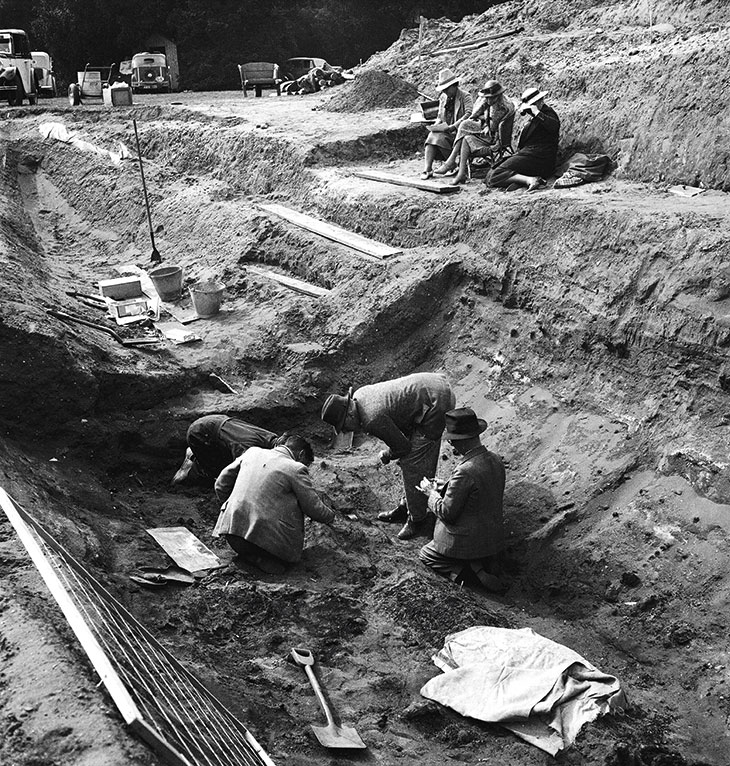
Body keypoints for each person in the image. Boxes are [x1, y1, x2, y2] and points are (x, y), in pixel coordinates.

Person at [321, 372, 455, 540]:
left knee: (413, 463)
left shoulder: (371, 418)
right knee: (411, 459)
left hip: (437, 402)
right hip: (431, 386)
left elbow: (403, 447)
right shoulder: (359, 395)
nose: (348, 431)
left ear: (349, 414)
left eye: (344, 426)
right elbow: (400, 418)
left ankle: (418, 520)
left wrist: (387, 454)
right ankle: (407, 505)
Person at [213, 434, 336, 573]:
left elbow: (220, 484)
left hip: (231, 534)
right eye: (306, 462)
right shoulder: (295, 468)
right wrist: (331, 516)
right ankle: (261, 557)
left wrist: (232, 507)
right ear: (301, 454)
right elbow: (313, 508)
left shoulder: (252, 452)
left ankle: (250, 557)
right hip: (264, 543)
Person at [417, 407, 506, 592]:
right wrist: (447, 485)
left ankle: (468, 572)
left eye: (452, 440)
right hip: (491, 538)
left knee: (425, 553)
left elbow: (447, 513)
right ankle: (480, 563)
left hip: (467, 541)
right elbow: (478, 492)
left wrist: (431, 493)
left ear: (461, 441)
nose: (450, 444)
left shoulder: (465, 470)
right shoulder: (495, 460)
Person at [434, 79, 515, 186]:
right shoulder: (496, 101)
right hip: (488, 131)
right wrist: (483, 116)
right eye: (486, 98)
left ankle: (452, 162)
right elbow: (476, 114)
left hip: (494, 138)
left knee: (464, 125)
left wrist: (483, 119)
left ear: (496, 96)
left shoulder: (500, 108)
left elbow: (490, 125)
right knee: (465, 138)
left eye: (489, 98)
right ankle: (460, 172)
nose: (486, 100)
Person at [486, 86, 560, 192]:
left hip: (542, 158)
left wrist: (537, 113)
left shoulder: (548, 114)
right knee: (491, 173)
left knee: (496, 175)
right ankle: (520, 180)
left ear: (540, 102)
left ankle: (530, 180)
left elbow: (554, 127)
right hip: (530, 155)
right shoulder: (533, 118)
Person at [172, 415, 279, 486]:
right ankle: (191, 462)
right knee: (218, 476)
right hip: (200, 432)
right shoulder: (248, 447)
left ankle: (194, 455)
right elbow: (243, 471)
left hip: (216, 424)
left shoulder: (271, 437)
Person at [421, 68, 473, 180]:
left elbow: (469, 114)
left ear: (454, 86)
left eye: (447, 89)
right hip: (446, 131)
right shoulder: (443, 98)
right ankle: (427, 169)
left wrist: (454, 126)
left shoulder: (465, 96)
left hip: (460, 133)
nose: (445, 92)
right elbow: (440, 116)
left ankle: (452, 163)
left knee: (439, 138)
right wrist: (436, 126)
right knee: (432, 136)